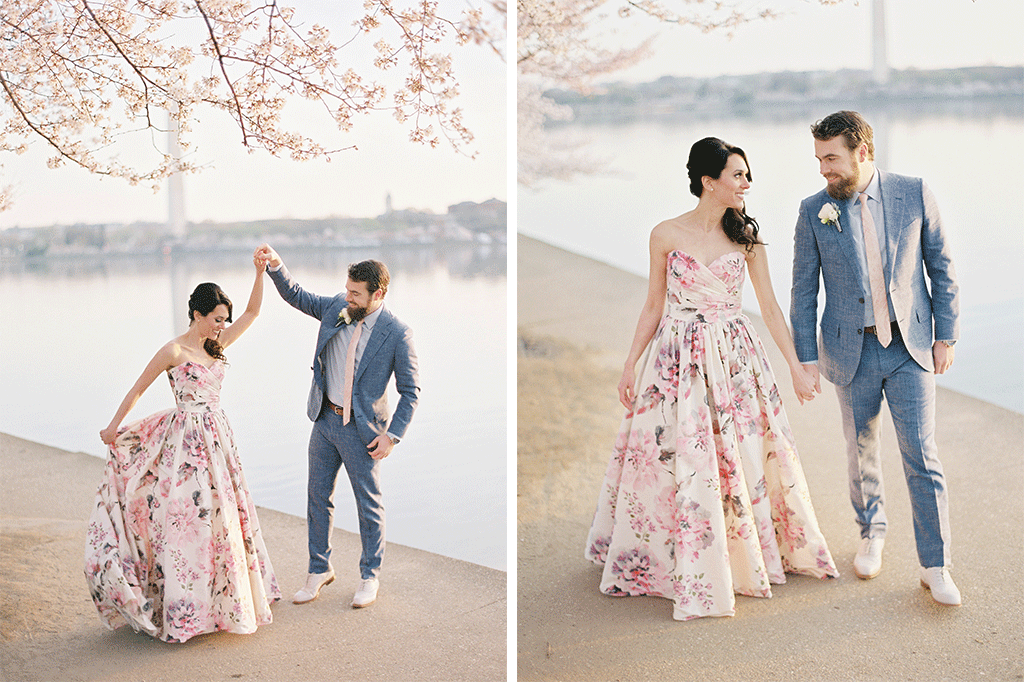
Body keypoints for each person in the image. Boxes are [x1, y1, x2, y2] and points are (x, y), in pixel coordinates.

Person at [585, 137, 838, 621]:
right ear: (709, 181)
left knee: (735, 455)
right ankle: (672, 558)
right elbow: (654, 304)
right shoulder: (665, 234)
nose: (747, 183)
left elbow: (768, 307)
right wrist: (630, 363)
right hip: (676, 357)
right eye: (738, 174)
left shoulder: (746, 238)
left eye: (747, 174)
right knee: (671, 455)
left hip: (734, 356)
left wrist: (796, 367)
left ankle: (740, 554)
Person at [791, 111, 961, 605]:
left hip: (910, 347)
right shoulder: (814, 210)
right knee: (860, 447)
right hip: (851, 350)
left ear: (861, 151)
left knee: (922, 455)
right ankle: (872, 533)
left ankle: (936, 565)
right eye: (819, 159)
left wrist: (946, 335)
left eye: (831, 158)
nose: (823, 169)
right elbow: (804, 290)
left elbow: (941, 267)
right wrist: (806, 359)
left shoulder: (914, 192)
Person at [84, 251, 281, 643]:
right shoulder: (173, 351)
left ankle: (222, 604)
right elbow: (138, 388)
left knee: (223, 516)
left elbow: (254, 312)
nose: (221, 326)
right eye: (216, 318)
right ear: (196, 313)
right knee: (187, 521)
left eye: (224, 319)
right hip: (185, 443)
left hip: (219, 439)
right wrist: (113, 426)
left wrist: (260, 272)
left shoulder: (217, 344)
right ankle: (182, 606)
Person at [254, 244, 420, 609]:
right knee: (317, 496)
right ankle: (318, 570)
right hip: (325, 420)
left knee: (368, 505)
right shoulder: (335, 308)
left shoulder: (397, 334)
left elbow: (410, 392)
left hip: (364, 432)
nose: (347, 297)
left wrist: (392, 436)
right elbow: (296, 295)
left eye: (355, 293)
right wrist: (277, 265)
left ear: (378, 294)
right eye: (347, 289)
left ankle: (369, 576)